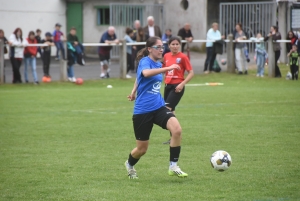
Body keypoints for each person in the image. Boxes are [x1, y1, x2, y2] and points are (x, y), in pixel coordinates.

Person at [125, 36, 188, 179]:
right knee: (142, 149)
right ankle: (129, 164)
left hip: (158, 106)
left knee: (177, 130)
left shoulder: (159, 64)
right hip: (142, 111)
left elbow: (138, 78)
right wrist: (168, 68)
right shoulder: (145, 62)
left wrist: (133, 91)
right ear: (149, 49)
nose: (161, 49)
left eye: (162, 47)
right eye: (158, 47)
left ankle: (173, 166)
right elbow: (145, 74)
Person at [162, 36, 194, 144]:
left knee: (167, 109)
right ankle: (174, 137)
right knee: (171, 110)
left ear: (180, 45)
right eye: (173, 44)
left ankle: (176, 135)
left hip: (177, 86)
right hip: (167, 86)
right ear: (169, 45)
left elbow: (191, 73)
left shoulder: (183, 57)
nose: (175, 46)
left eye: (177, 44)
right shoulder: (166, 56)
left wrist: (182, 84)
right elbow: (163, 69)